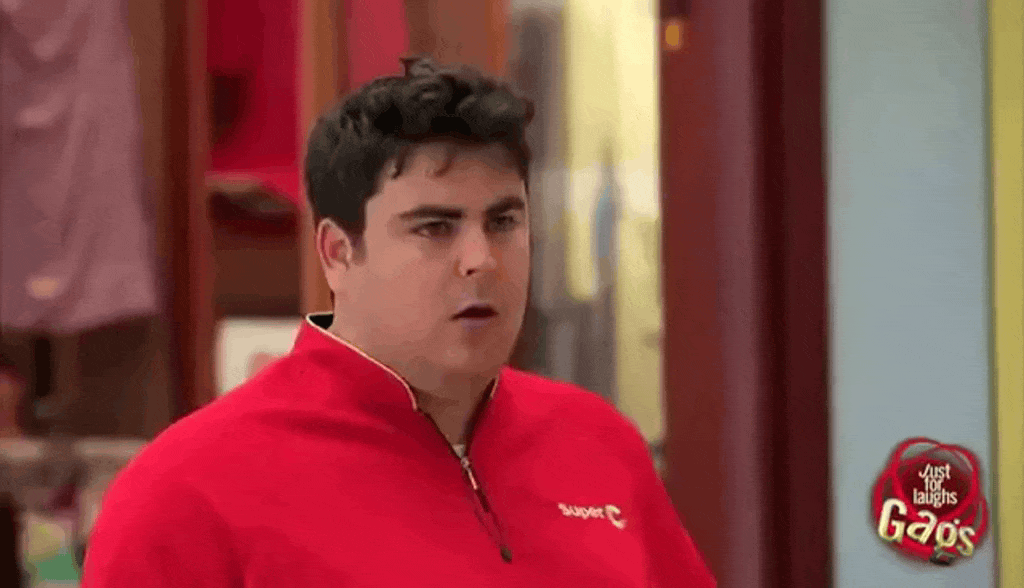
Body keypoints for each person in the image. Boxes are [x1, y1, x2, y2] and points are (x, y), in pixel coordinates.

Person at [80, 57, 716, 587]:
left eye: (503, 221)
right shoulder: (186, 494)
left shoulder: (597, 443)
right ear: (338, 253)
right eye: (434, 227)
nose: (481, 259)